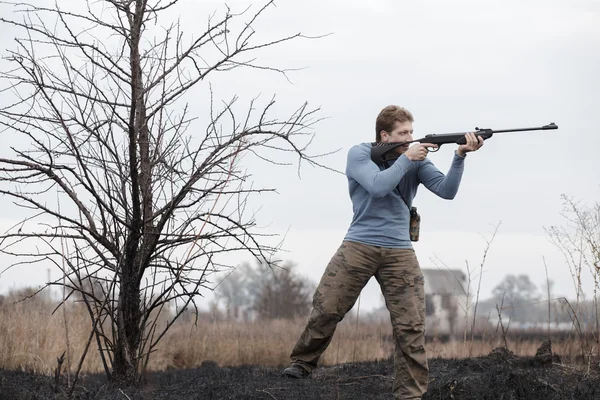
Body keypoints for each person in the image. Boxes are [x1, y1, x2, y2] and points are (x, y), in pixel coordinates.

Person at [281, 105, 484, 399]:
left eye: (412, 133)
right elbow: (378, 186)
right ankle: (302, 363)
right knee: (327, 307)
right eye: (403, 134)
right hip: (358, 245)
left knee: (411, 325)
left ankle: (410, 393)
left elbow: (446, 190)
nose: (409, 138)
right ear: (384, 135)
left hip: (400, 251)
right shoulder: (360, 154)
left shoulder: (415, 159)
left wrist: (460, 156)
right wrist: (406, 160)